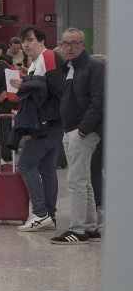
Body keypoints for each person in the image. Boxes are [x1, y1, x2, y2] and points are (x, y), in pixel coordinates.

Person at [51, 28, 102, 245]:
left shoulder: (94, 67)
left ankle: (78, 230)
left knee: (75, 181)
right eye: (66, 43)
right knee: (84, 180)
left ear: (83, 44)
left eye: (74, 43)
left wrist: (83, 129)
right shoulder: (68, 67)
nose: (69, 47)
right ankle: (90, 227)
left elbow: (99, 101)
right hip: (71, 130)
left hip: (82, 132)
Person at [14, 24, 64, 233]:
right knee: (46, 169)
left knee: (26, 164)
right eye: (24, 40)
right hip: (52, 122)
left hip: (46, 123)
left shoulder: (48, 57)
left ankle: (41, 213)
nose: (26, 44)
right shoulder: (38, 61)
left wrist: (27, 83)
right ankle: (49, 215)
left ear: (41, 41)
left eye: (30, 40)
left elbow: (55, 88)